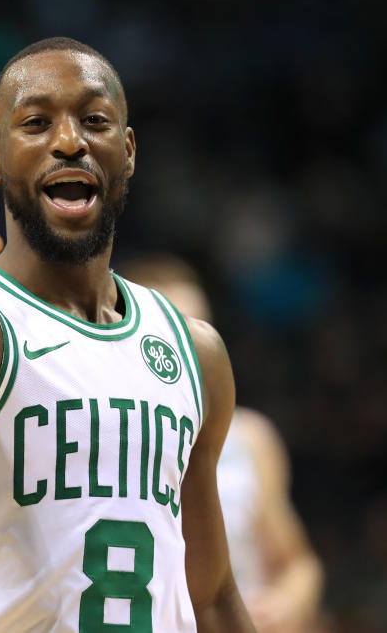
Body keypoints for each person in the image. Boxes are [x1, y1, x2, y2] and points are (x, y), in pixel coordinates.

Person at [0, 37, 254, 632]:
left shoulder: (194, 353)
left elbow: (212, 593)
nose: (69, 141)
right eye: (37, 123)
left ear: (126, 150)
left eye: (94, 120)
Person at [118, 256, 324, 633]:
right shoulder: (97, 435)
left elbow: (297, 564)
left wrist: (285, 605)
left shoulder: (250, 436)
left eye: (200, 329)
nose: (193, 347)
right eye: (174, 332)